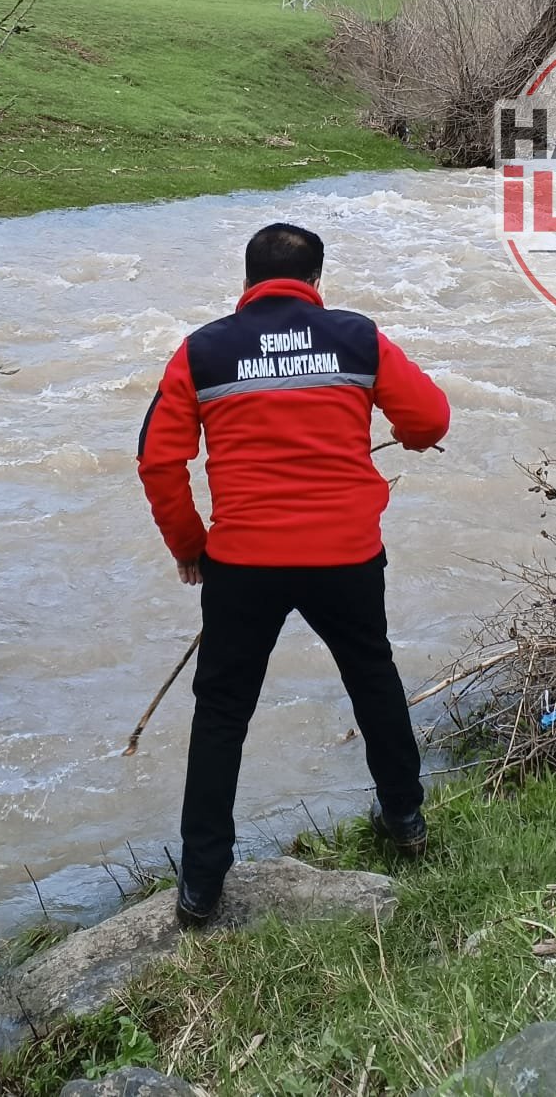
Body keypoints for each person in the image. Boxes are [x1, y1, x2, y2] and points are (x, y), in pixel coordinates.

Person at [136, 222, 452, 930]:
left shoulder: (202, 350)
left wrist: (190, 545)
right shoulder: (357, 337)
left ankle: (201, 885)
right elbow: (431, 419)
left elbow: (158, 462)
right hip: (346, 555)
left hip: (243, 562)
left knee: (222, 714)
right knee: (372, 676)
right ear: (316, 281)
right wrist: (406, 432)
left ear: (246, 282)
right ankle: (405, 820)